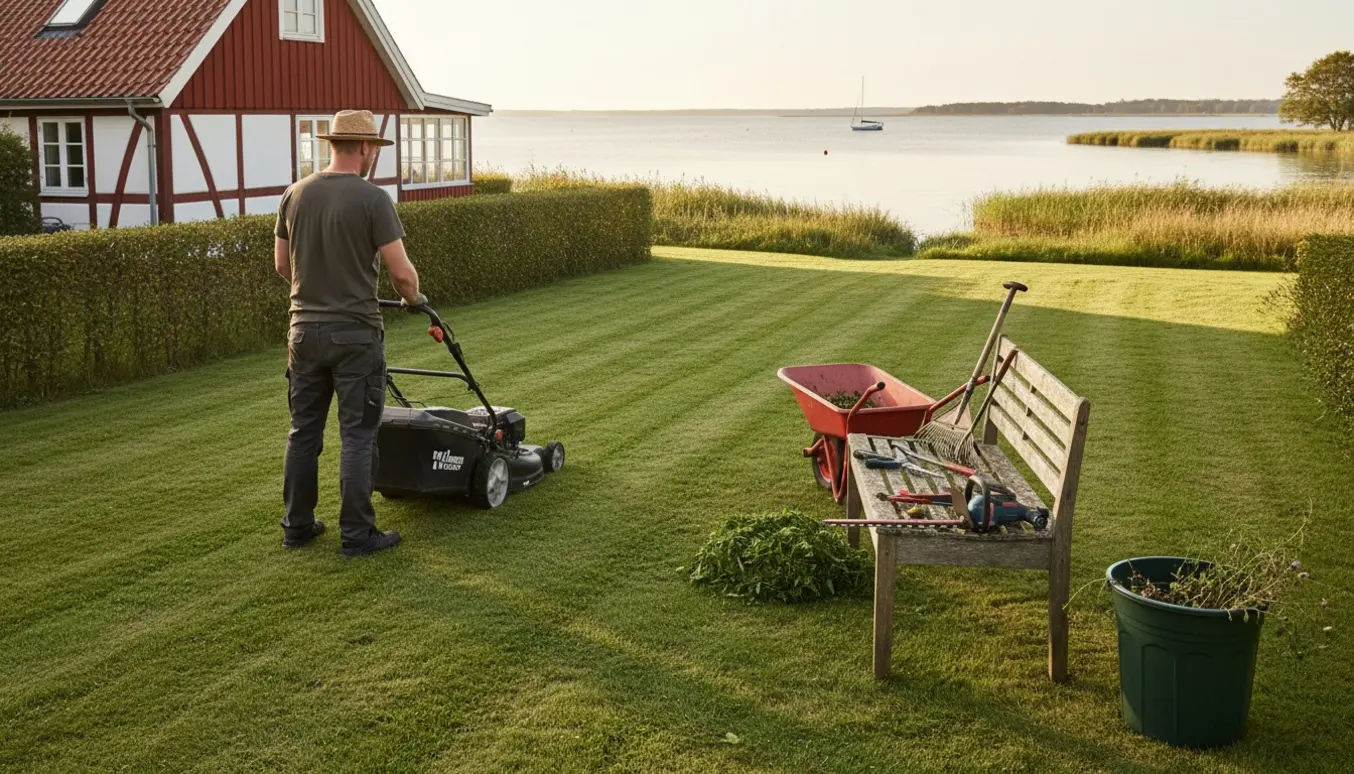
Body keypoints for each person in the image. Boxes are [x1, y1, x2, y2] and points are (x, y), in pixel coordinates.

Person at [273, 109, 425, 556]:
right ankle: (358, 535)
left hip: (302, 333)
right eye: (373, 148)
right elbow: (401, 275)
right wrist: (415, 300)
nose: (373, 155)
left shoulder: (294, 194)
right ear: (363, 148)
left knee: (303, 432)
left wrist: (317, 293)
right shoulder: (372, 199)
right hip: (355, 334)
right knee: (358, 434)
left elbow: (283, 266)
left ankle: (296, 526)